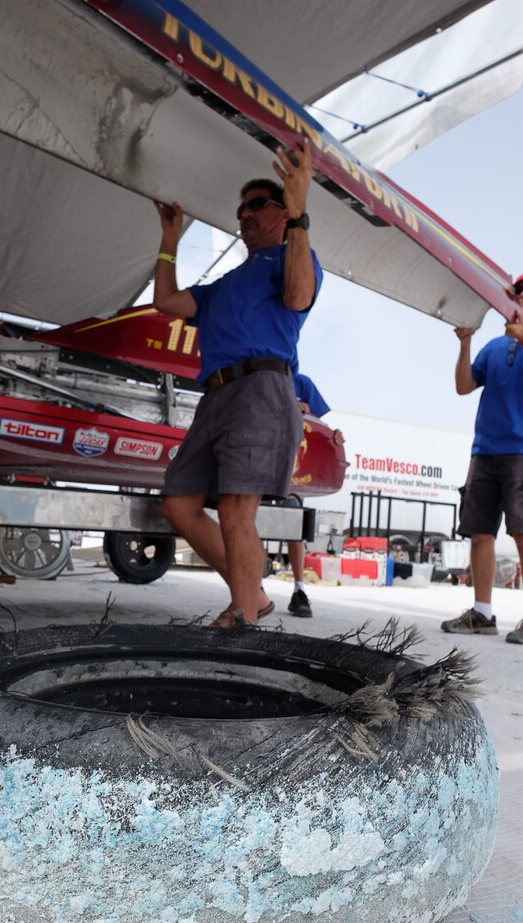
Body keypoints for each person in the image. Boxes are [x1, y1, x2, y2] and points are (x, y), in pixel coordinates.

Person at [153, 141, 322, 627]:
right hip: (216, 396)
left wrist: (299, 215)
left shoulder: (292, 255)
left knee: (234, 508)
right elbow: (165, 301)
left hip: (260, 388)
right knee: (179, 504)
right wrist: (170, 240)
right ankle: (254, 597)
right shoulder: (226, 282)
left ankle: (243, 616)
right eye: (241, 208)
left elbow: (297, 297)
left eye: (256, 204)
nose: (244, 213)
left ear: (280, 211)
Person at [441, 269, 523, 644]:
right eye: (519, 290)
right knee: (480, 534)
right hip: (484, 451)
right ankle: (482, 614)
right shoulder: (495, 346)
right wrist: (465, 343)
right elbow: (464, 386)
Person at [285, 373, 345, 617]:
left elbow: (317, 427)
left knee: (295, 528)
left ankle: (299, 590)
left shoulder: (302, 383)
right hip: (264, 462)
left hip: (296, 471)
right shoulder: (259, 377)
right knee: (254, 525)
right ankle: (255, 587)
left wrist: (334, 438)